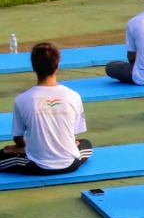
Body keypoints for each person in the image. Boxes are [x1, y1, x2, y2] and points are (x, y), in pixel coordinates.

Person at [0, 42, 92, 175]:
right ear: (57, 65)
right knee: (86, 144)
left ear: (33, 66)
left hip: (37, 166)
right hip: (70, 164)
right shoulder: (73, 96)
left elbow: (18, 138)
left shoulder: (22, 99)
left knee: (4, 153)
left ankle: (28, 152)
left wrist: (22, 147)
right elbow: (72, 133)